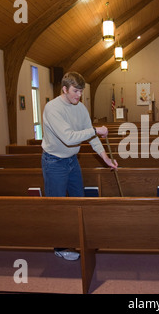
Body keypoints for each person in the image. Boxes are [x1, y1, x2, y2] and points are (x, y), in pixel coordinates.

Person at [41, 72, 118, 261]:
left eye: (81, 91)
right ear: (64, 89)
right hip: (54, 161)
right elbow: (68, 137)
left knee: (79, 201)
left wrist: (105, 158)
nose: (79, 95)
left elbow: (91, 137)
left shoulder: (80, 107)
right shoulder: (52, 108)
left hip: (72, 161)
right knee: (58, 206)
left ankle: (82, 240)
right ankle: (60, 246)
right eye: (76, 91)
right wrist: (95, 130)